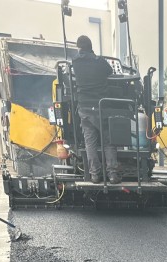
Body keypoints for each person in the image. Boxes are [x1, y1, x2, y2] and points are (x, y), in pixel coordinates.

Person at [72, 35, 121, 184]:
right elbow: (109, 72)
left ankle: (94, 175)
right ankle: (112, 175)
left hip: (84, 109)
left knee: (90, 143)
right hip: (101, 108)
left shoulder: (75, 63)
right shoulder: (100, 62)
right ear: (91, 46)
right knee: (108, 142)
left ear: (79, 47)